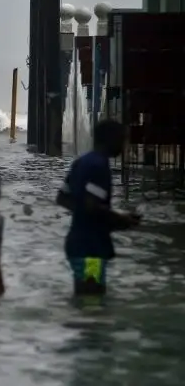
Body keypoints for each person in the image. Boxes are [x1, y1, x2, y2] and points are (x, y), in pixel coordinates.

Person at [56, 119, 140, 297]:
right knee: (91, 301)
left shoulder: (82, 162)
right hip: (90, 249)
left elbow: (63, 198)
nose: (125, 145)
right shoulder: (99, 166)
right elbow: (91, 206)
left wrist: (88, 214)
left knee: (85, 298)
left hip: (77, 243)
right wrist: (119, 219)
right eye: (123, 139)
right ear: (111, 140)